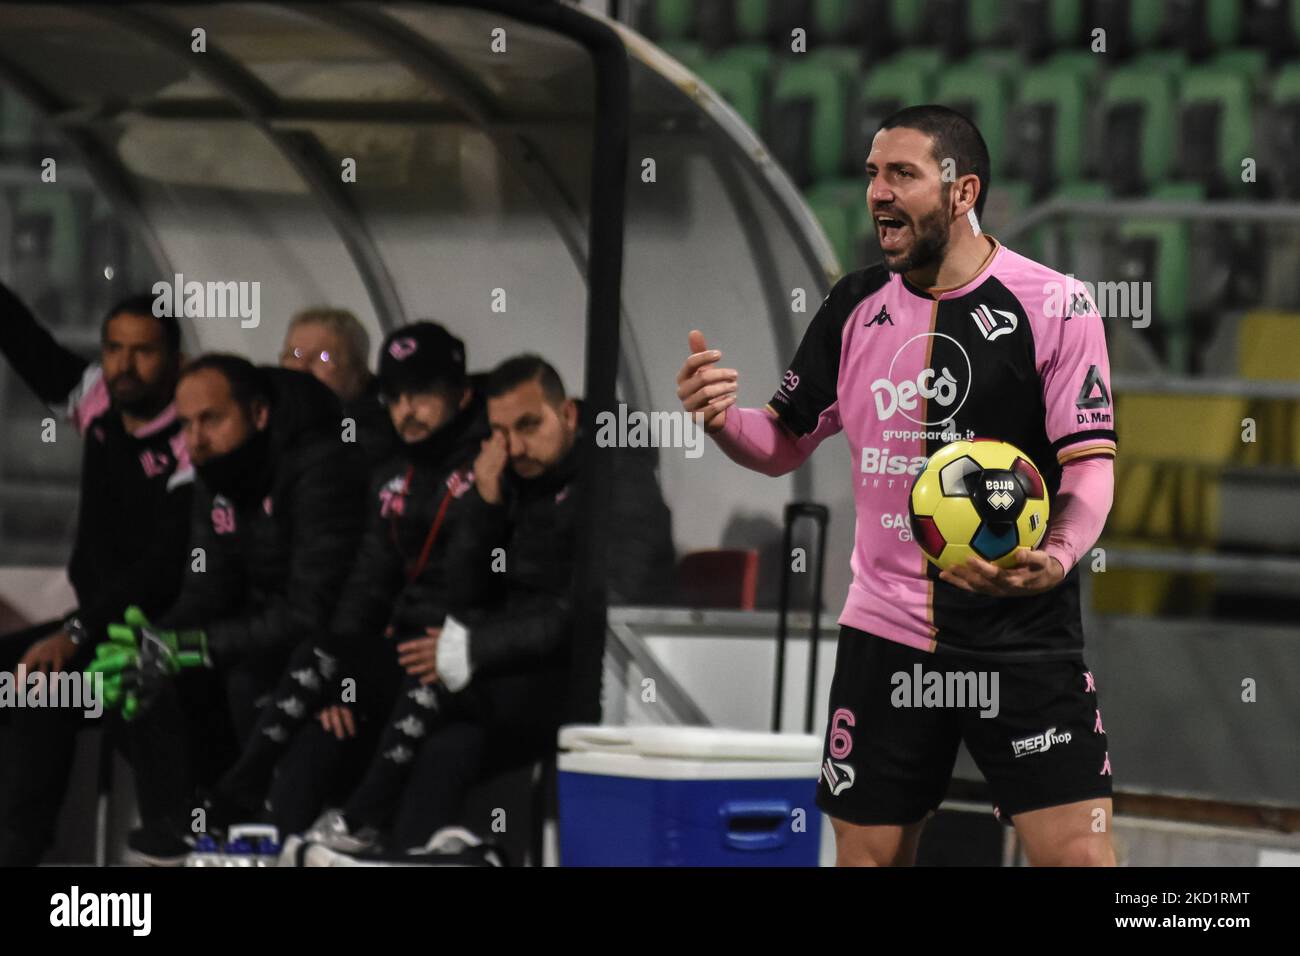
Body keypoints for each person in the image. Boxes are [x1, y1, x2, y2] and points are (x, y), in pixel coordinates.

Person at [676, 105, 1117, 867]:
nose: (878, 192)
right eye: (873, 173)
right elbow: (782, 441)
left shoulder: (1057, 304)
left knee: (1078, 855)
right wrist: (720, 421)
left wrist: (1058, 554)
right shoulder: (853, 306)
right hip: (885, 632)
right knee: (868, 857)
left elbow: (1090, 463)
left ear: (961, 191)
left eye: (902, 174)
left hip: (1021, 633)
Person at [295, 354, 676, 863]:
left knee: (434, 680)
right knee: (411, 721)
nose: (515, 446)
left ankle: (360, 822)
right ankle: (400, 853)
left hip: (578, 679)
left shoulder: (617, 480)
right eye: (500, 432)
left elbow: (599, 606)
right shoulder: (509, 478)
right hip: (502, 673)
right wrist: (485, 502)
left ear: (567, 413)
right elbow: (465, 596)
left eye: (528, 425)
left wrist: (474, 647)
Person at [188, 321, 490, 845]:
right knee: (320, 682)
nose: (407, 410)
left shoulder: (486, 467)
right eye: (395, 397)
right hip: (401, 653)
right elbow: (367, 585)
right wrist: (345, 679)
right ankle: (263, 832)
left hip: (463, 656)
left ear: (461, 396)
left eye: (422, 394)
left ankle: (355, 828)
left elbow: (476, 588)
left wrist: (487, 498)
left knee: (419, 712)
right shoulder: (394, 469)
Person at [89, 355, 369, 864]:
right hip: (263, 636)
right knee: (143, 680)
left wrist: (194, 646)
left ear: (258, 414)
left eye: (211, 419)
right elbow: (205, 593)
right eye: (186, 423)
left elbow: (312, 610)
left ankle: (240, 825)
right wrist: (155, 643)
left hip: (334, 648)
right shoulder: (214, 476)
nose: (195, 438)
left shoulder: (319, 467)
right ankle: (184, 833)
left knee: (241, 677)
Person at [0, 282, 192, 866]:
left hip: (152, 629)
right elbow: (27, 343)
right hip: (91, 620)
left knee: (42, 688)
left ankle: (21, 854)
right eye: (113, 349)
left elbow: (164, 568)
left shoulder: (194, 435)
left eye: (143, 351)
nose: (123, 366)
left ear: (176, 361)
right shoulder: (99, 403)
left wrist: (78, 632)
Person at [280, 306, 399, 470]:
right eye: (294, 355)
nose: (301, 367)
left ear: (358, 370)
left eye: (324, 357)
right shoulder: (273, 418)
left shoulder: (380, 426)